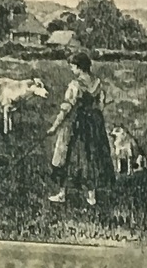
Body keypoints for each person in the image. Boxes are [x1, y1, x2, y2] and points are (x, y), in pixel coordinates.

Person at [46, 49, 116, 209]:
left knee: (68, 156)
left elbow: (66, 107)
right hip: (94, 124)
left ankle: (62, 194)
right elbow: (101, 105)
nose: (71, 69)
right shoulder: (97, 83)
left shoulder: (75, 85)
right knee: (91, 158)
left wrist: (55, 126)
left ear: (79, 67)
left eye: (72, 66)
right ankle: (91, 196)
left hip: (78, 125)